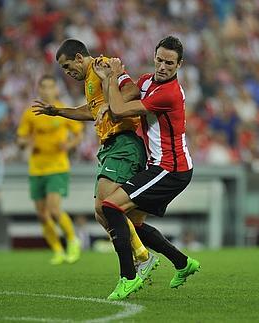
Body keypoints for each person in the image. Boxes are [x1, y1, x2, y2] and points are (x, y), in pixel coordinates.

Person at [32, 39, 157, 276]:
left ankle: (142, 257)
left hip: (123, 142)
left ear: (80, 57)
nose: (68, 73)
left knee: (106, 207)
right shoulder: (91, 79)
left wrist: (109, 107)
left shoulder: (102, 65)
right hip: (111, 147)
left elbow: (131, 90)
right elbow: (90, 111)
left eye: (68, 66)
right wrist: (58, 111)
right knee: (103, 214)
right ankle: (154, 256)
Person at [95, 36, 200, 300]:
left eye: (170, 63)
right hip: (164, 166)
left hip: (171, 169)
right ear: (154, 57)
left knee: (111, 206)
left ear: (179, 65)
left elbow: (120, 110)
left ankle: (128, 277)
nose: (163, 66)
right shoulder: (147, 82)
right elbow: (127, 93)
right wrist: (116, 79)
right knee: (133, 221)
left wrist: (113, 78)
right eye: (160, 60)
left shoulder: (169, 93)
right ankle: (182, 263)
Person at [17, 75, 84, 264]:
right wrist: (25, 142)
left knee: (54, 209)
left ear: (56, 90)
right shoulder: (30, 113)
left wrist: (69, 145)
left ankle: (72, 241)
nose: (47, 90)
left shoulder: (62, 110)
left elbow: (79, 134)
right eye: (43, 87)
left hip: (58, 166)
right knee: (42, 214)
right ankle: (57, 250)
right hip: (37, 168)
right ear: (39, 90)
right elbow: (20, 138)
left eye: (50, 87)